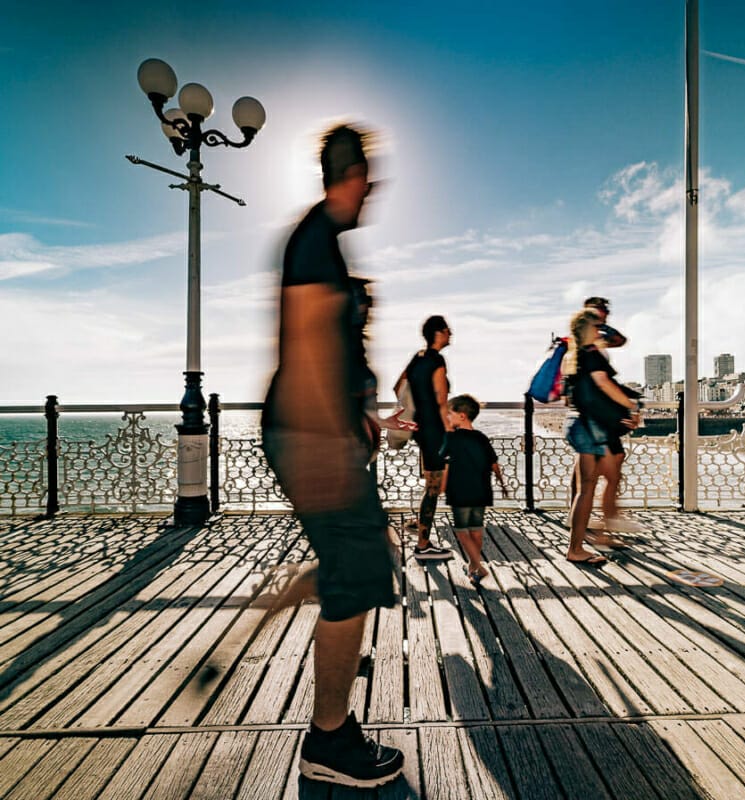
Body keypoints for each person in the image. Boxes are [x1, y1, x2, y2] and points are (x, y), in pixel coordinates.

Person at [261, 124, 412, 788]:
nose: (373, 189)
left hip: (322, 431)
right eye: (368, 176)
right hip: (308, 435)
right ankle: (328, 740)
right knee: (361, 571)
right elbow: (305, 348)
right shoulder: (315, 241)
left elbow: (333, 357)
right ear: (349, 176)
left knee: (367, 556)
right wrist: (328, 446)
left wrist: (361, 418)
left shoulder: (326, 242)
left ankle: (310, 584)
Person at [562, 309, 641, 565]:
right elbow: (604, 383)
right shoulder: (592, 355)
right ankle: (577, 548)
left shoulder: (573, 356)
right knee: (586, 490)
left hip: (579, 424)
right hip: (590, 428)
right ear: (587, 329)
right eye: (597, 326)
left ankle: (596, 535)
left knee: (595, 484)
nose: (600, 330)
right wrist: (630, 406)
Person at [399, 315, 455, 560]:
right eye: (447, 330)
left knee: (433, 484)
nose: (451, 333)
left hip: (420, 429)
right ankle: (423, 545)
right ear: (438, 333)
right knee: (433, 488)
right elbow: (442, 402)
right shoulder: (437, 360)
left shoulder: (418, 357)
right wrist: (450, 435)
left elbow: (398, 387)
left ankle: (419, 526)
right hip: (435, 431)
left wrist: (417, 407)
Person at [440, 394, 509, 585]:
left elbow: (443, 462)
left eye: (449, 414)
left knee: (462, 532)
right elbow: (494, 464)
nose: (447, 418)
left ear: (462, 416)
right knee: (476, 531)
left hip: (459, 491)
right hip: (481, 491)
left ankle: (478, 566)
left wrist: (441, 487)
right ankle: (472, 568)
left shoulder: (450, 438)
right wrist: (502, 484)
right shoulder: (481, 438)